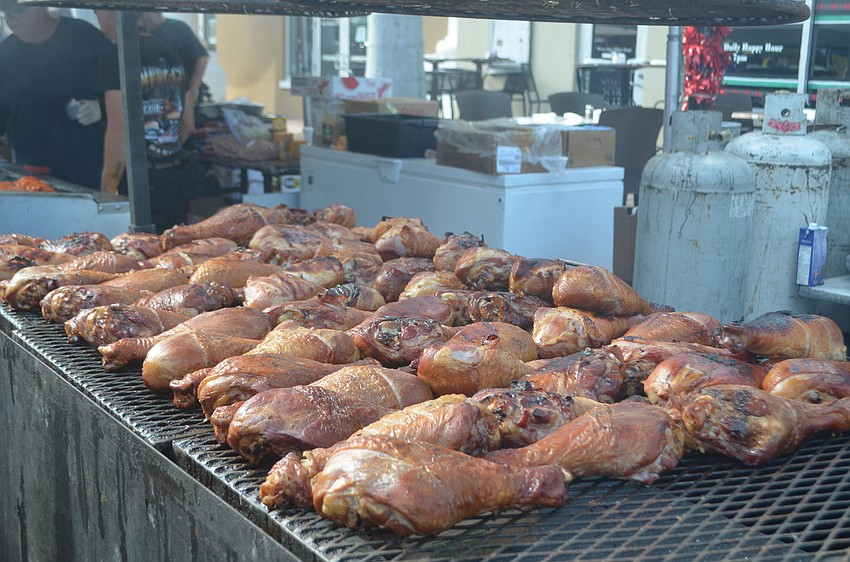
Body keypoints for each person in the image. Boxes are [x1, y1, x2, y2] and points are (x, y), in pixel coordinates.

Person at [95, 9, 202, 233]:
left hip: (141, 184)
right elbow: (188, 125)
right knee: (174, 260)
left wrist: (107, 189)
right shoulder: (170, 54)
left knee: (139, 260)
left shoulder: (116, 56)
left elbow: (118, 127)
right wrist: (164, 149)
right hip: (174, 179)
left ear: (108, 14)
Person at [0, 0, 111, 189]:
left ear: (43, 5)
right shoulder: (4, 56)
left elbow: (128, 96)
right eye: (6, 11)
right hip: (32, 177)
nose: (13, 17)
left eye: (21, 10)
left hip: (92, 172)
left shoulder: (85, 37)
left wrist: (102, 108)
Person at [139, 12, 209, 143]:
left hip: (182, 98)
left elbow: (202, 56)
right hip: (156, 102)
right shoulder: (143, 37)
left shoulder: (178, 28)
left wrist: (194, 85)